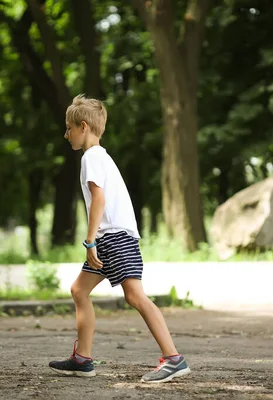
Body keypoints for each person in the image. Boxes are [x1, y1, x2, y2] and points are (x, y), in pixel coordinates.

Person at [48, 94, 191, 384]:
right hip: (111, 238)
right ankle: (83, 359)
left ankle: (173, 359)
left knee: (135, 296)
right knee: (79, 290)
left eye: (69, 128)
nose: (66, 134)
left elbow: (98, 199)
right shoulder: (99, 157)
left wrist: (90, 241)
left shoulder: (91, 157)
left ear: (83, 127)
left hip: (113, 239)